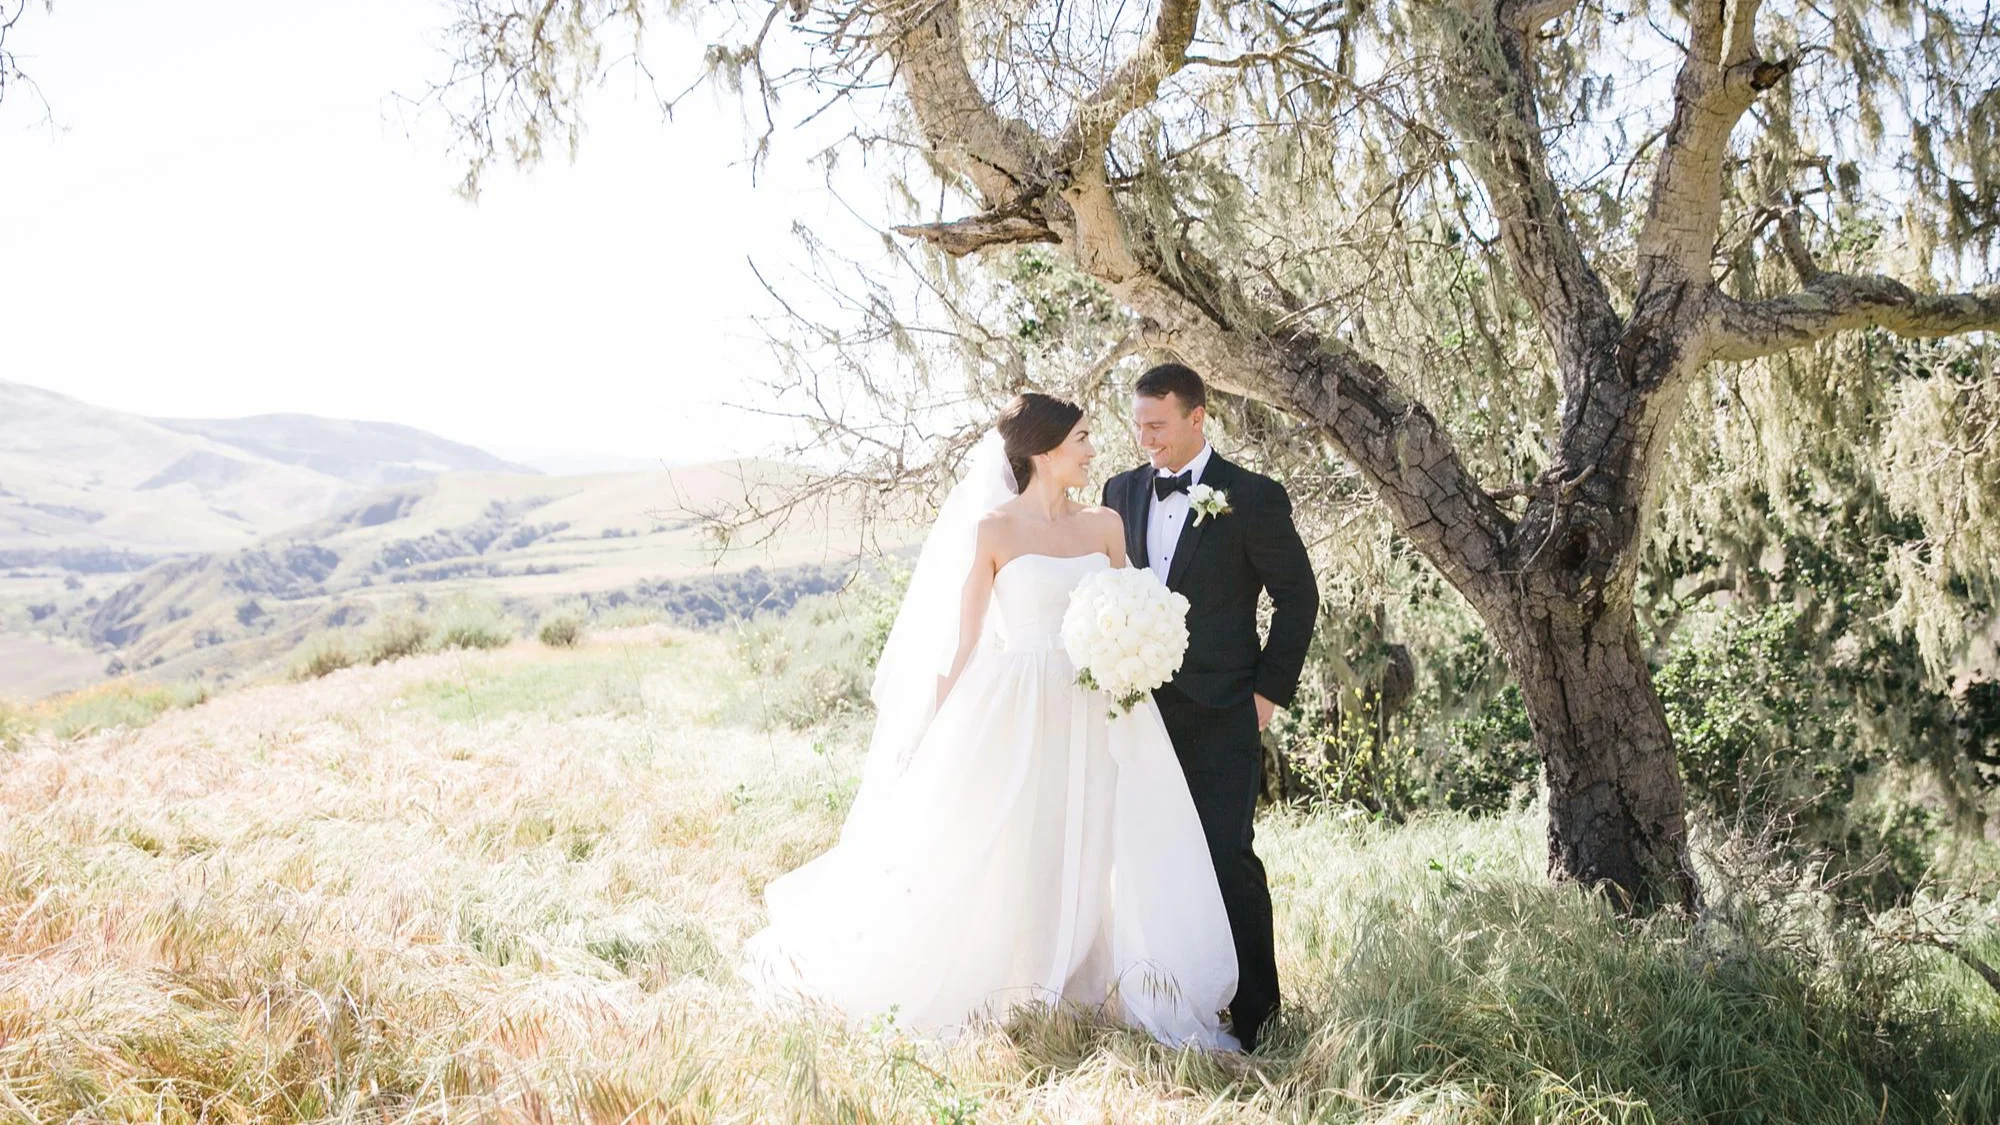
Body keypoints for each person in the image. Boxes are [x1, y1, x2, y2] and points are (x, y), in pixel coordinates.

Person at [742, 392, 1239, 1050]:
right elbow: (964, 641)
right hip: (1020, 707)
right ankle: (1023, 985)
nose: (1094, 450)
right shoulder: (995, 530)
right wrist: (934, 731)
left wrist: (1138, 647)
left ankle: (1088, 984)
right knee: (1019, 838)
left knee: (1093, 834)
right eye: (1083, 438)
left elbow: (1130, 599)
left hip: (1097, 704)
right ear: (1043, 449)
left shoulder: (1104, 526)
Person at [1101, 363, 1318, 1052]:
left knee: (1229, 856)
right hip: (1136, 712)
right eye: (1138, 427)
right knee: (1146, 860)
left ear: (1198, 417)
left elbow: (1298, 597)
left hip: (1223, 709)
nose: (1146, 440)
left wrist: (1266, 694)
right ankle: (1168, 998)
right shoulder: (1119, 491)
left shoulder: (1252, 496)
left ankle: (1259, 1013)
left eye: (1158, 426)